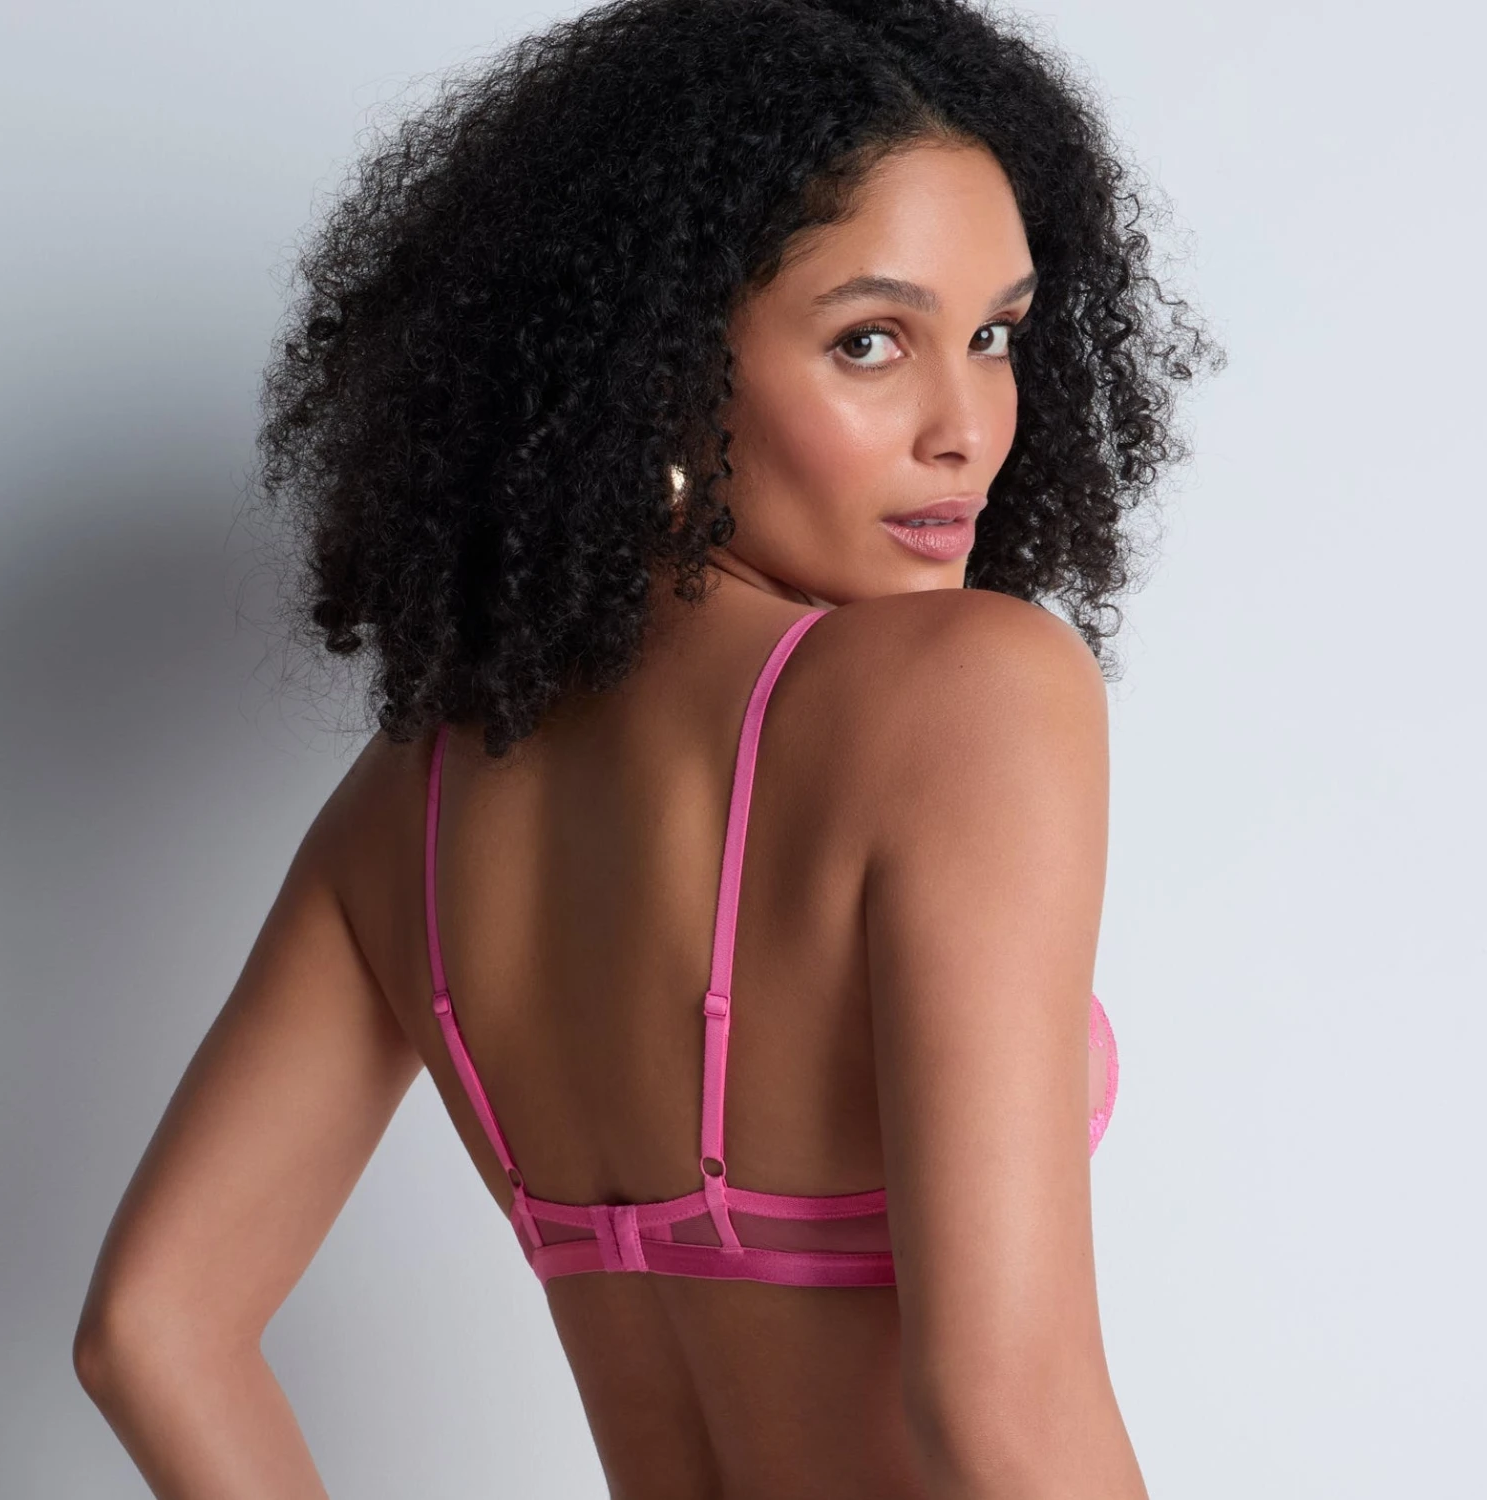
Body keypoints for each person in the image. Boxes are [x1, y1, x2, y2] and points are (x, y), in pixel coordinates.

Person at [72, 0, 1215, 1494]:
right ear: (656, 368)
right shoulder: (970, 689)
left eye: (995, 334)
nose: (968, 427)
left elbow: (154, 1330)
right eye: (870, 342)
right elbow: (1002, 1410)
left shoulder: (412, 799)